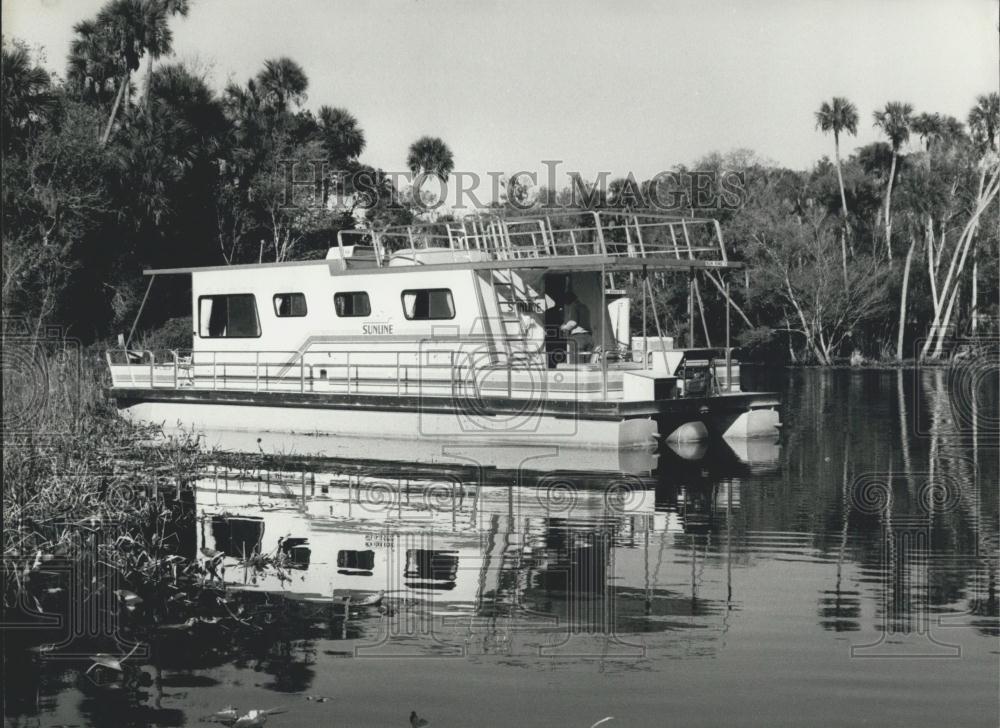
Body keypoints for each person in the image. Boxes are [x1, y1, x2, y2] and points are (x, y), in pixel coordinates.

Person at [560, 291, 592, 364]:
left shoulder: (574, 306)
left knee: (577, 365)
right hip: (589, 338)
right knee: (587, 364)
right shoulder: (585, 307)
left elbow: (573, 323)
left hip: (578, 338)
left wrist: (564, 327)